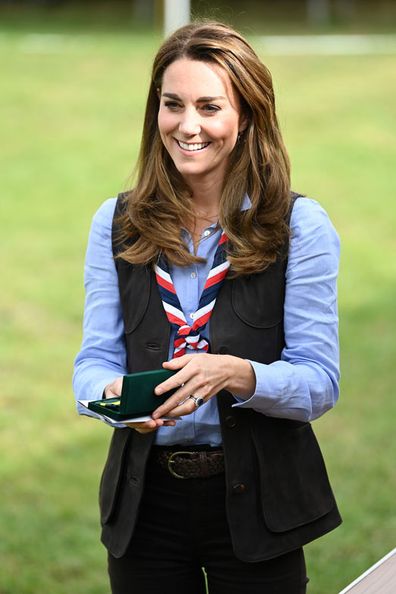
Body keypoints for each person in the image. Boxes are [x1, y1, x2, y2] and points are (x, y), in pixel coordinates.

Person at [73, 20, 342, 594]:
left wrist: (239, 375)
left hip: (257, 503)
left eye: (209, 106)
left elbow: (320, 382)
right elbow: (93, 362)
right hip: (146, 506)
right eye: (173, 105)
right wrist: (112, 400)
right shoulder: (114, 222)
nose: (187, 126)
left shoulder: (300, 225)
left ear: (245, 117)